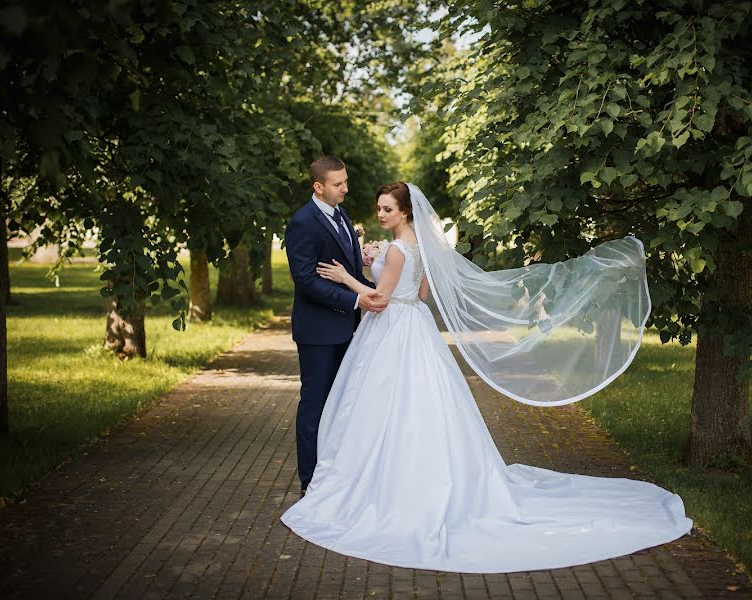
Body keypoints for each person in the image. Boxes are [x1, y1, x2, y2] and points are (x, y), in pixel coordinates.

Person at [280, 181, 693, 573]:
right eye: (379, 209)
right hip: (416, 327)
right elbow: (420, 296)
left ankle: (379, 483)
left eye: (388, 209)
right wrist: (376, 263)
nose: (380, 214)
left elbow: (381, 300)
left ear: (405, 212)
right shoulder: (417, 247)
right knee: (420, 405)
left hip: (390, 330)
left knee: (386, 405)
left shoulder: (398, 251)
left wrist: (350, 276)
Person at [284, 156, 387, 498]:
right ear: (318, 186)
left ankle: (336, 475)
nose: (346, 188)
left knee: (342, 403)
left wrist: (371, 287)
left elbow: (347, 271)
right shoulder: (303, 222)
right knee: (315, 405)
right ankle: (310, 484)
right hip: (317, 332)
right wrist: (356, 301)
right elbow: (306, 281)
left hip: (347, 328)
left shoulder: (341, 214)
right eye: (338, 184)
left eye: (345, 181)